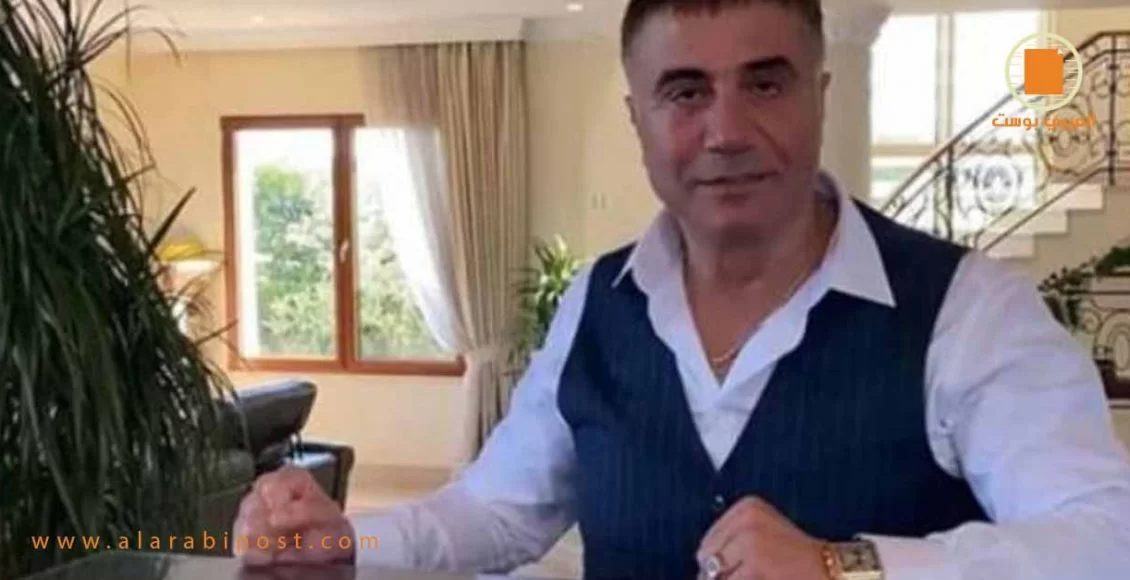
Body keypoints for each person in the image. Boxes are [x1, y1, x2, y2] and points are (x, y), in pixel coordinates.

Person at [232, 0, 1130, 578]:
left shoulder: (968, 310)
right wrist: (350, 540)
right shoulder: (597, 302)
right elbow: (496, 510)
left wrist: (847, 566)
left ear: (819, 95)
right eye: (686, 92)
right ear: (640, 117)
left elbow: (1105, 535)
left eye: (765, 83)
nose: (726, 131)